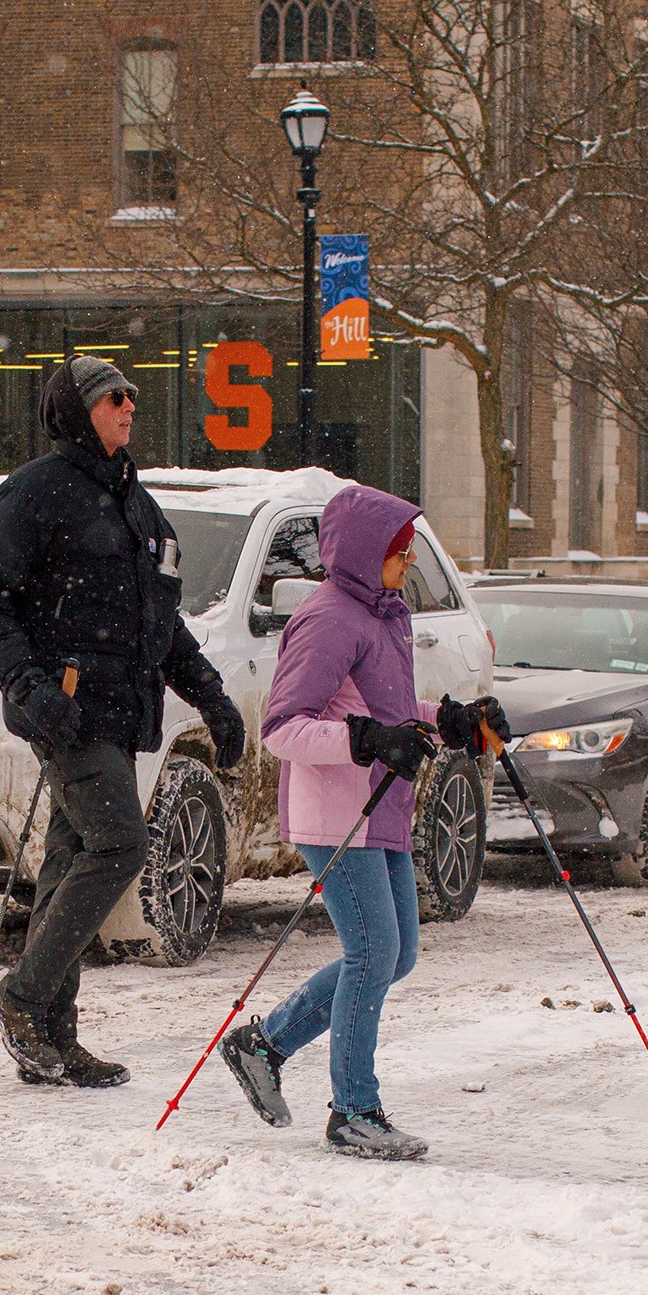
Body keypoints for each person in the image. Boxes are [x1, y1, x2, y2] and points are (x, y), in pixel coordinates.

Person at [0, 356, 247, 1087]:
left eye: (132, 396)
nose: (129, 406)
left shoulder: (134, 503)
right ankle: (21, 997)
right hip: (67, 708)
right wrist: (30, 685)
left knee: (70, 859)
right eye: (114, 397)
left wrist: (212, 696)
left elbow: (164, 621)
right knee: (121, 843)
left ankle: (52, 1034)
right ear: (78, 409)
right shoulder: (37, 492)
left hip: (121, 710)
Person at [215, 484, 507, 1158]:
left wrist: (454, 721)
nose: (408, 565)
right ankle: (353, 1107)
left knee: (394, 953)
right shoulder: (327, 618)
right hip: (336, 816)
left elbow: (390, 709)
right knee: (374, 951)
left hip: (382, 809)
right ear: (365, 551)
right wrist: (365, 741)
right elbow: (284, 728)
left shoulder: (385, 614)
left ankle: (263, 1044)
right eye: (400, 553)